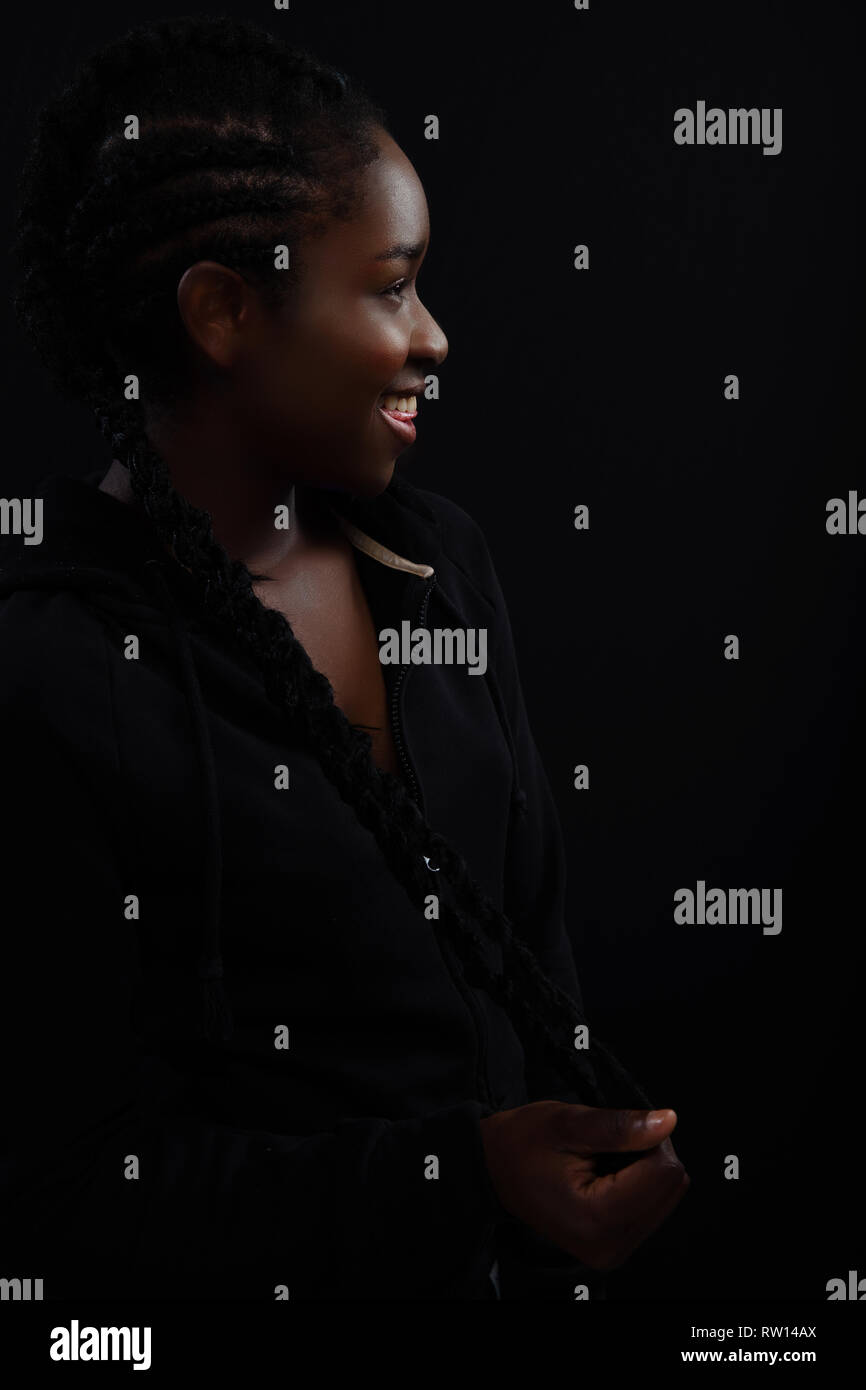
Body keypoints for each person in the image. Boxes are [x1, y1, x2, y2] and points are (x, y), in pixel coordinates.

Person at [0, 15, 688, 1301]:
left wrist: (578, 1163)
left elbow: (534, 973)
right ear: (222, 311)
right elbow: (58, 1190)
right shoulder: (50, 675)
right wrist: (459, 1179)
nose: (432, 337)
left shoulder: (437, 561)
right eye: (388, 286)